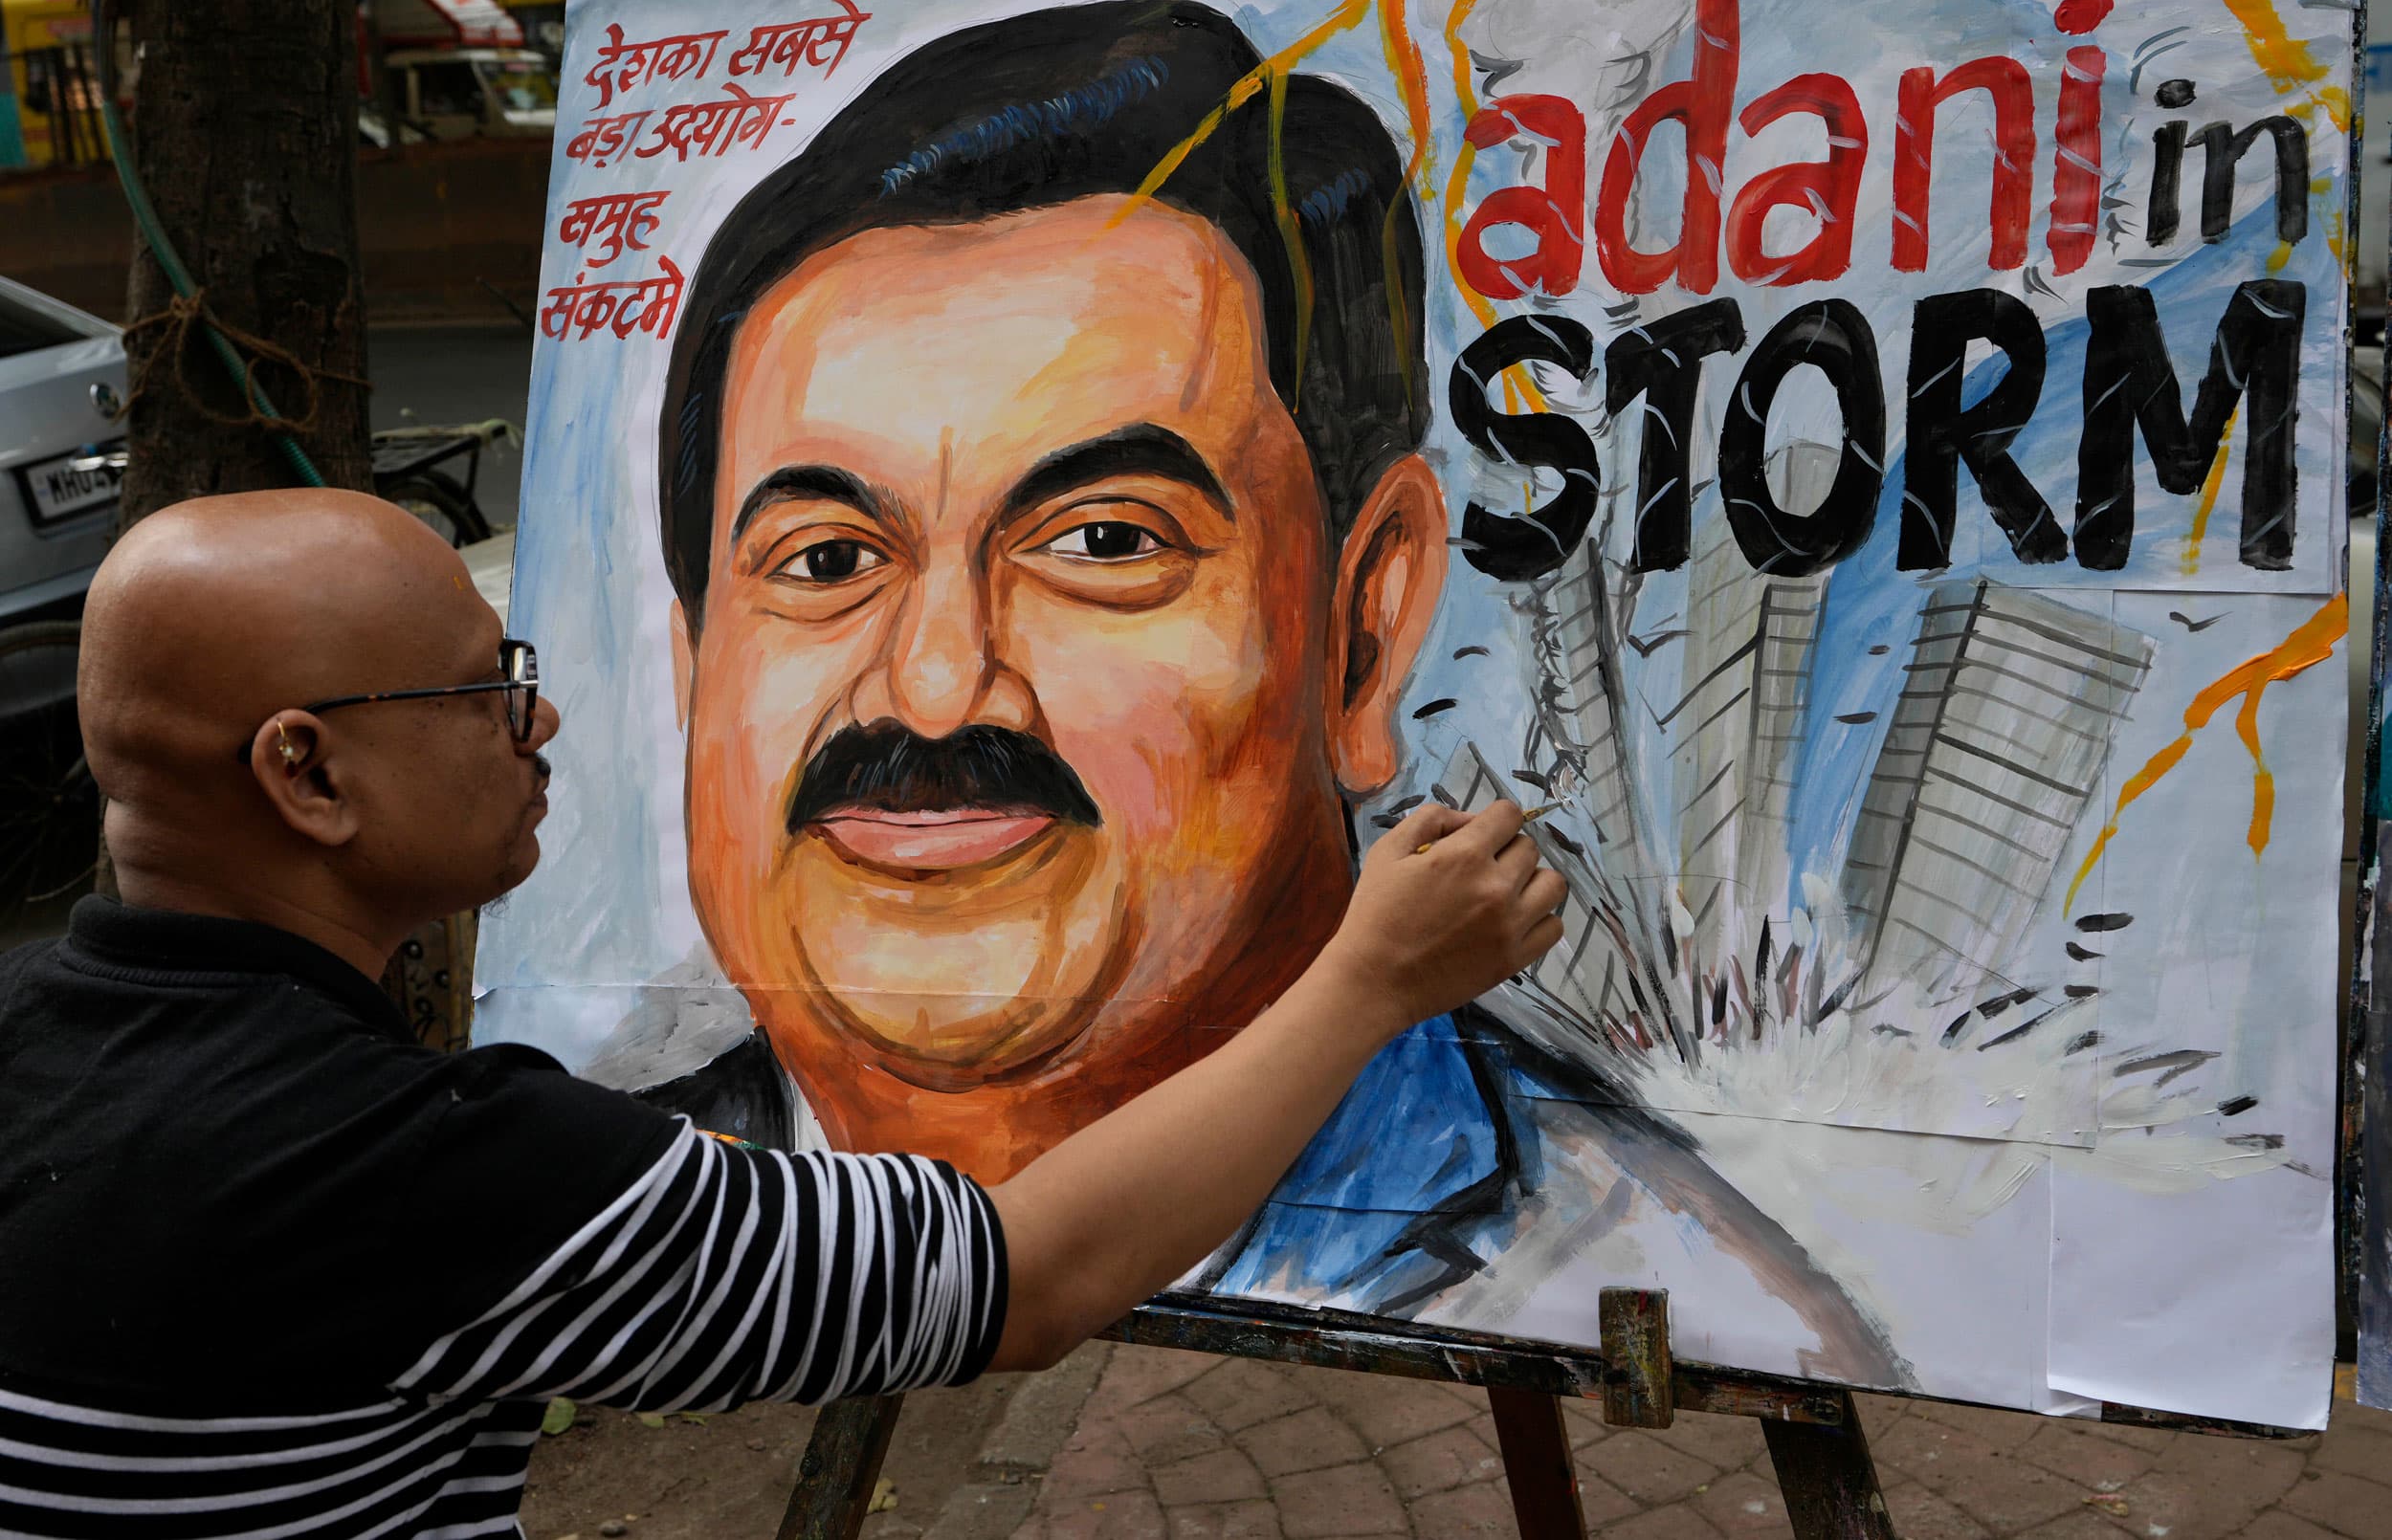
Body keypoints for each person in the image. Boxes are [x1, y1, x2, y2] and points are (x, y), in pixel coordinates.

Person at [636, 0, 1911, 1385]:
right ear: (698, 664)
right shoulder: (624, 1220)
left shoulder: (1658, 1280)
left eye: (1106, 542)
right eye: (825, 559)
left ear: (1364, 633)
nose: (937, 688)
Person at [0, 489, 1563, 1537]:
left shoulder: (39, 1050)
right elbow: (1027, 1281)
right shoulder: (412, 1177)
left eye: (1099, 538)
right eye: (481, 692)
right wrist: (1369, 982)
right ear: (307, 773)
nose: (537, 720)